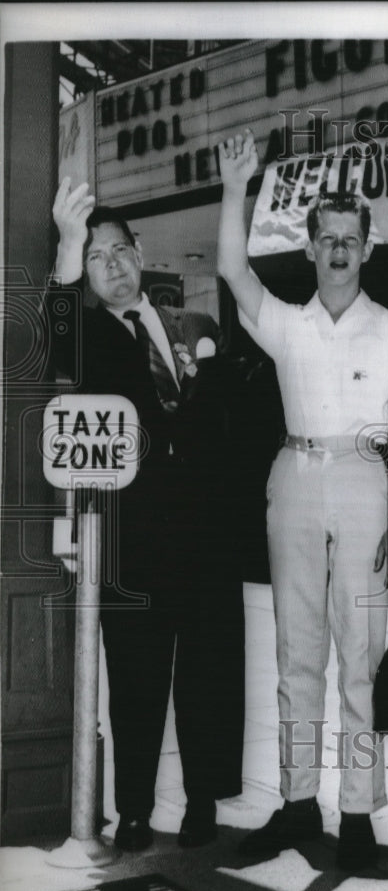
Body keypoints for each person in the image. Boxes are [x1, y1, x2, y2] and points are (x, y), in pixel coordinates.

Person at [217, 130, 388, 871]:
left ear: (366, 249)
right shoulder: (287, 325)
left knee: (358, 656)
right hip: (294, 480)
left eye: (348, 240)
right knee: (297, 655)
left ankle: (357, 812)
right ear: (308, 248)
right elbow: (234, 269)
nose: (336, 251)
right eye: (325, 239)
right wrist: (236, 185)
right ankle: (299, 803)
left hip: (364, 484)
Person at [47, 181, 245, 852]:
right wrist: (68, 245)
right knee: (134, 673)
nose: (111, 264)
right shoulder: (91, 334)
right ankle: (132, 808)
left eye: (119, 250)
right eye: (96, 255)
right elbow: (57, 333)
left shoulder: (187, 325)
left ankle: (202, 803)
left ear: (140, 253)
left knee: (209, 671)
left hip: (205, 533)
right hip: (129, 532)